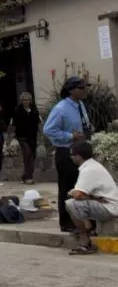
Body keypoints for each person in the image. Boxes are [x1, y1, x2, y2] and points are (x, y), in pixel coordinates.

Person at [44, 76, 92, 233]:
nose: (85, 90)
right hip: (66, 151)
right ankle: (66, 222)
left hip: (80, 152)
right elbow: (49, 129)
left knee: (81, 185)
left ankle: (83, 220)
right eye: (81, 88)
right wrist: (70, 136)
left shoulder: (80, 105)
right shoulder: (61, 108)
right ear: (72, 90)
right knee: (67, 186)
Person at [64, 141, 118, 255]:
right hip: (108, 203)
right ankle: (88, 227)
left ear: (79, 156)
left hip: (110, 207)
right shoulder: (93, 165)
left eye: (72, 155)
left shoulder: (88, 170)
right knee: (77, 201)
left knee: (71, 204)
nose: (71, 157)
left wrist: (71, 193)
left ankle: (85, 242)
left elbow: (78, 194)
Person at [9, 92, 42, 185]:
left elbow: (39, 122)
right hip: (22, 136)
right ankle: (28, 177)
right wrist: (10, 136)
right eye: (24, 100)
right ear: (21, 101)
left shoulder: (34, 110)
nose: (26, 101)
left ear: (30, 100)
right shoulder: (17, 110)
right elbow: (12, 124)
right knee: (27, 154)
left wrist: (41, 134)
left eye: (27, 99)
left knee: (32, 156)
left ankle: (26, 175)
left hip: (33, 136)